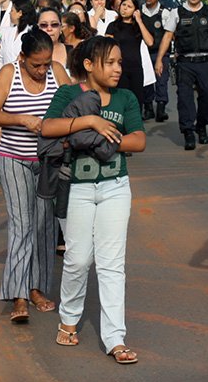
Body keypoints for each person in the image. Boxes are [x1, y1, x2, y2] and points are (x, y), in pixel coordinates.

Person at [42, 36, 146, 364]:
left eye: (119, 62)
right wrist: (90, 122)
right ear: (89, 65)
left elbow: (139, 140)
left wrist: (98, 140)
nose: (118, 68)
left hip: (116, 186)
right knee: (77, 259)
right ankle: (69, 318)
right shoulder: (69, 93)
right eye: (110, 63)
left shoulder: (126, 97)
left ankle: (115, 338)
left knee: (112, 264)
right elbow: (48, 128)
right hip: (77, 189)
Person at [0, 28, 70, 324]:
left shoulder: (58, 73)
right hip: (14, 159)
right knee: (22, 225)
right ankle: (17, 294)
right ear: (22, 58)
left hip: (48, 161)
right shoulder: (9, 74)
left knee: (45, 226)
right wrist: (20, 119)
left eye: (46, 63)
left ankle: (36, 289)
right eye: (36, 64)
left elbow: (73, 108)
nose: (42, 70)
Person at [154, 0, 208, 150]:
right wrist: (159, 59)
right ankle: (188, 131)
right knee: (185, 98)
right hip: (184, 62)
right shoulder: (177, 13)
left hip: (205, 61)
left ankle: (202, 125)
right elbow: (168, 36)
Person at [104, 0, 153, 108]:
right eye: (123, 5)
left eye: (129, 6)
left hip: (136, 68)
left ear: (135, 10)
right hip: (118, 69)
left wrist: (139, 21)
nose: (125, 8)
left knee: (136, 102)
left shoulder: (138, 26)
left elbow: (150, 42)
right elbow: (107, 47)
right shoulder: (113, 25)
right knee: (120, 102)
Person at [139, 0, 170, 122]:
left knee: (161, 80)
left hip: (160, 52)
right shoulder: (140, 12)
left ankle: (161, 108)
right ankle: (148, 108)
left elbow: (169, 34)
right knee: (146, 81)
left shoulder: (164, 13)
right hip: (144, 52)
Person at [0, 0, 36, 78]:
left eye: (12, 10)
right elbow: (0, 59)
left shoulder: (32, 33)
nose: (9, 13)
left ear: (20, 13)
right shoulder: (6, 32)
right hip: (5, 78)